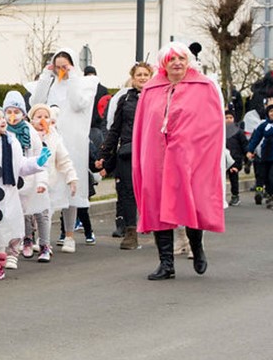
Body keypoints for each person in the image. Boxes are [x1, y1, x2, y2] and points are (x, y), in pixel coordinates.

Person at [132, 42, 225, 281]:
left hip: (190, 158)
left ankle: (197, 247)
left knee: (191, 202)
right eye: (171, 59)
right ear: (163, 64)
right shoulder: (151, 90)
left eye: (181, 58)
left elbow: (212, 126)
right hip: (157, 157)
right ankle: (166, 263)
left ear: (188, 61)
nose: (177, 63)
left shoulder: (204, 87)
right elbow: (143, 126)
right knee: (157, 204)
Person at [28, 48, 98, 253]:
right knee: (44, 185)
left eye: (63, 67)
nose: (61, 71)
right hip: (48, 139)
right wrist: (46, 75)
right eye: (57, 67)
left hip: (71, 141)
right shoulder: (51, 84)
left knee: (70, 189)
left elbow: (78, 104)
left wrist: (73, 76)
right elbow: (35, 103)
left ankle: (69, 235)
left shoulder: (82, 84)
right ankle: (41, 236)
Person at [0, 100, 48, 280]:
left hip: (6, 192)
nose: (3, 120)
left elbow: (20, 165)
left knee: (3, 228)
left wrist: (37, 162)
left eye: (2, 117)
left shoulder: (11, 142)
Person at [95, 62, 153, 250]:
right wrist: (104, 153)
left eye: (146, 74)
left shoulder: (157, 97)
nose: (142, 78)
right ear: (133, 78)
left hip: (152, 151)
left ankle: (158, 228)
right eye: (139, 75)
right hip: (128, 151)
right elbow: (115, 129)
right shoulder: (125, 99)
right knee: (128, 192)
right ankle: (130, 232)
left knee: (152, 191)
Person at [26, 104, 78, 263]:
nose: (42, 120)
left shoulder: (54, 138)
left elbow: (63, 159)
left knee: (43, 214)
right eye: (38, 117)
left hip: (46, 184)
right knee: (26, 214)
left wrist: (72, 178)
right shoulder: (26, 135)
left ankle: (44, 245)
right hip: (28, 182)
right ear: (32, 119)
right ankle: (27, 239)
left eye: (46, 117)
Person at [2, 91, 46, 268]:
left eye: (16, 112)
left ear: (23, 113)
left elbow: (38, 158)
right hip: (4, 182)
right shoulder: (0, 130)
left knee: (17, 217)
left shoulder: (30, 133)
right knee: (1, 216)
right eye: (9, 112)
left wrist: (41, 181)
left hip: (24, 183)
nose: (12, 116)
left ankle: (14, 249)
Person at [246, 104, 273, 208]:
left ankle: (271, 196)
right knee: (264, 177)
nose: (272, 113)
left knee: (272, 177)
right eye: (270, 111)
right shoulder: (263, 125)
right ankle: (267, 193)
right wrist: (250, 150)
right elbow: (256, 138)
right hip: (265, 154)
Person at [224, 108, 247, 207]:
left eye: (231, 117)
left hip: (235, 159)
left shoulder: (239, 132)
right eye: (226, 118)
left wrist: (246, 159)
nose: (229, 119)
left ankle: (235, 195)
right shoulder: (219, 131)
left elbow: (244, 145)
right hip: (223, 159)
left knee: (234, 177)